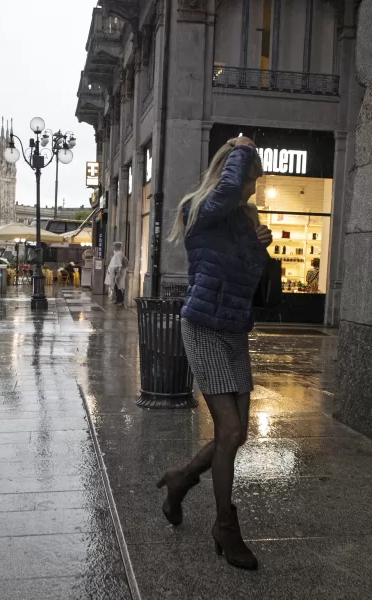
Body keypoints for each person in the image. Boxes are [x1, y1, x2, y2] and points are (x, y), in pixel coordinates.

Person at [157, 136, 272, 571]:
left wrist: (260, 245)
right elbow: (225, 191)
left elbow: (246, 279)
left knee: (237, 432)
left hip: (234, 331)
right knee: (228, 432)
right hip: (203, 325)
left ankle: (181, 481)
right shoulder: (198, 208)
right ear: (232, 171)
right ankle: (225, 526)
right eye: (249, 179)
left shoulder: (244, 218)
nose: (252, 189)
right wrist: (241, 145)